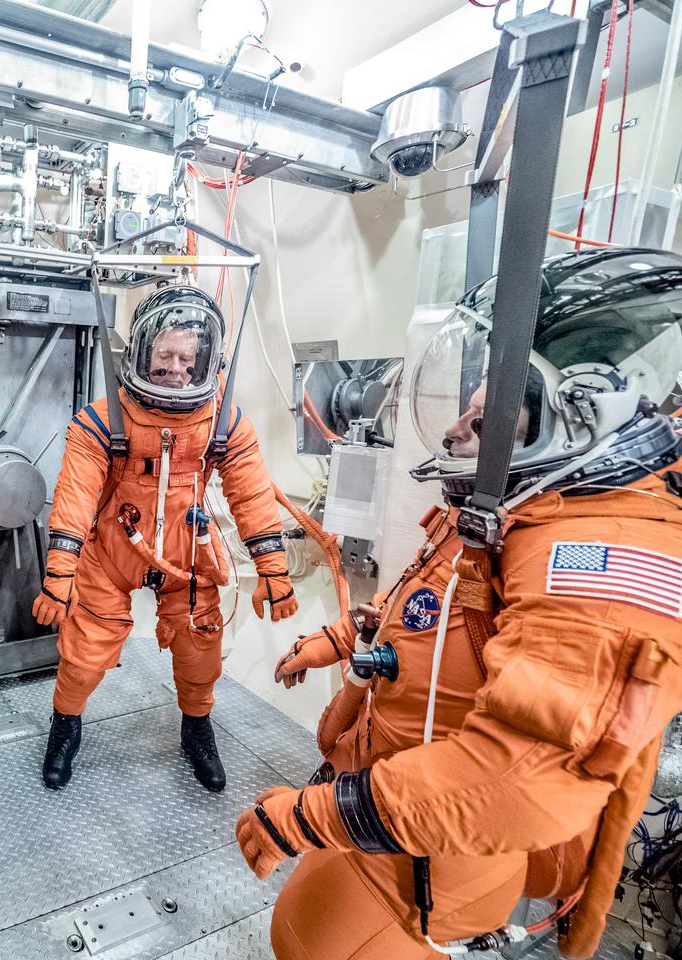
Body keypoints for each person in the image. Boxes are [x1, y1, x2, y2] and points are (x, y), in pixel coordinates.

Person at [236, 248, 682, 960]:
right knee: (302, 928)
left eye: (481, 424)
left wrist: (314, 815)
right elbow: (422, 612)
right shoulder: (509, 515)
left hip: (438, 854)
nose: (454, 435)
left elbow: (510, 782)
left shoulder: (599, 566)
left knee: (311, 940)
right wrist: (339, 640)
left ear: (566, 429)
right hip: (390, 808)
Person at [35, 284, 297, 792]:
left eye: (188, 357)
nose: (177, 368)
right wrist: (59, 574)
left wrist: (275, 570)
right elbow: (75, 493)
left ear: (205, 362)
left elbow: (252, 494)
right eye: (165, 355)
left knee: (201, 651)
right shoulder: (105, 416)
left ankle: (197, 726)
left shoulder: (223, 421)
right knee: (85, 653)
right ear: (141, 352)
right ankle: (65, 723)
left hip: (188, 550)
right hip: (113, 549)